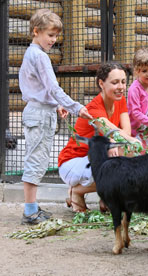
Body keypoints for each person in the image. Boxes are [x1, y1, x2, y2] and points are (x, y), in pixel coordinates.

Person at [19, 9, 93, 225]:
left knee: (38, 160)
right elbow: (53, 87)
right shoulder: (39, 56)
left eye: (56, 36)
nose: (54, 40)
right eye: (50, 35)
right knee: (35, 161)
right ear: (36, 31)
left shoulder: (31, 54)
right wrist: (76, 107)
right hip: (39, 113)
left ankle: (32, 208)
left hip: (41, 110)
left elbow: (43, 89)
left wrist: (58, 105)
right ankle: (30, 212)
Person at [58, 62, 140, 213]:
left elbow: (126, 130)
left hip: (92, 160)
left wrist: (118, 142)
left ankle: (106, 199)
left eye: (123, 82)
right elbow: (113, 131)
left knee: (124, 154)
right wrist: (125, 143)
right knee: (124, 154)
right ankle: (77, 192)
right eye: (115, 82)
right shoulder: (94, 108)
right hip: (72, 164)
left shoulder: (120, 99)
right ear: (101, 83)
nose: (121, 87)